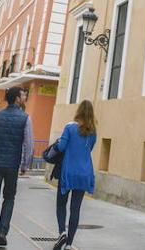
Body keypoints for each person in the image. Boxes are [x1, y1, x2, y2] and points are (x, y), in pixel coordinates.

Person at [0, 87, 34, 249]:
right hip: (12, 165)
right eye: (24, 94)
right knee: (9, 198)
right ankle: (2, 231)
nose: (25, 96)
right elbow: (29, 144)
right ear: (17, 98)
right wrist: (25, 164)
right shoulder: (25, 118)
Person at [52, 100, 97, 250]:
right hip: (84, 173)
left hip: (68, 172)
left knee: (61, 204)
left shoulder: (70, 127)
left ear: (78, 111)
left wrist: (59, 142)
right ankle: (69, 244)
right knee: (75, 208)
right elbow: (89, 149)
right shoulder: (93, 132)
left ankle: (62, 232)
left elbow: (62, 147)